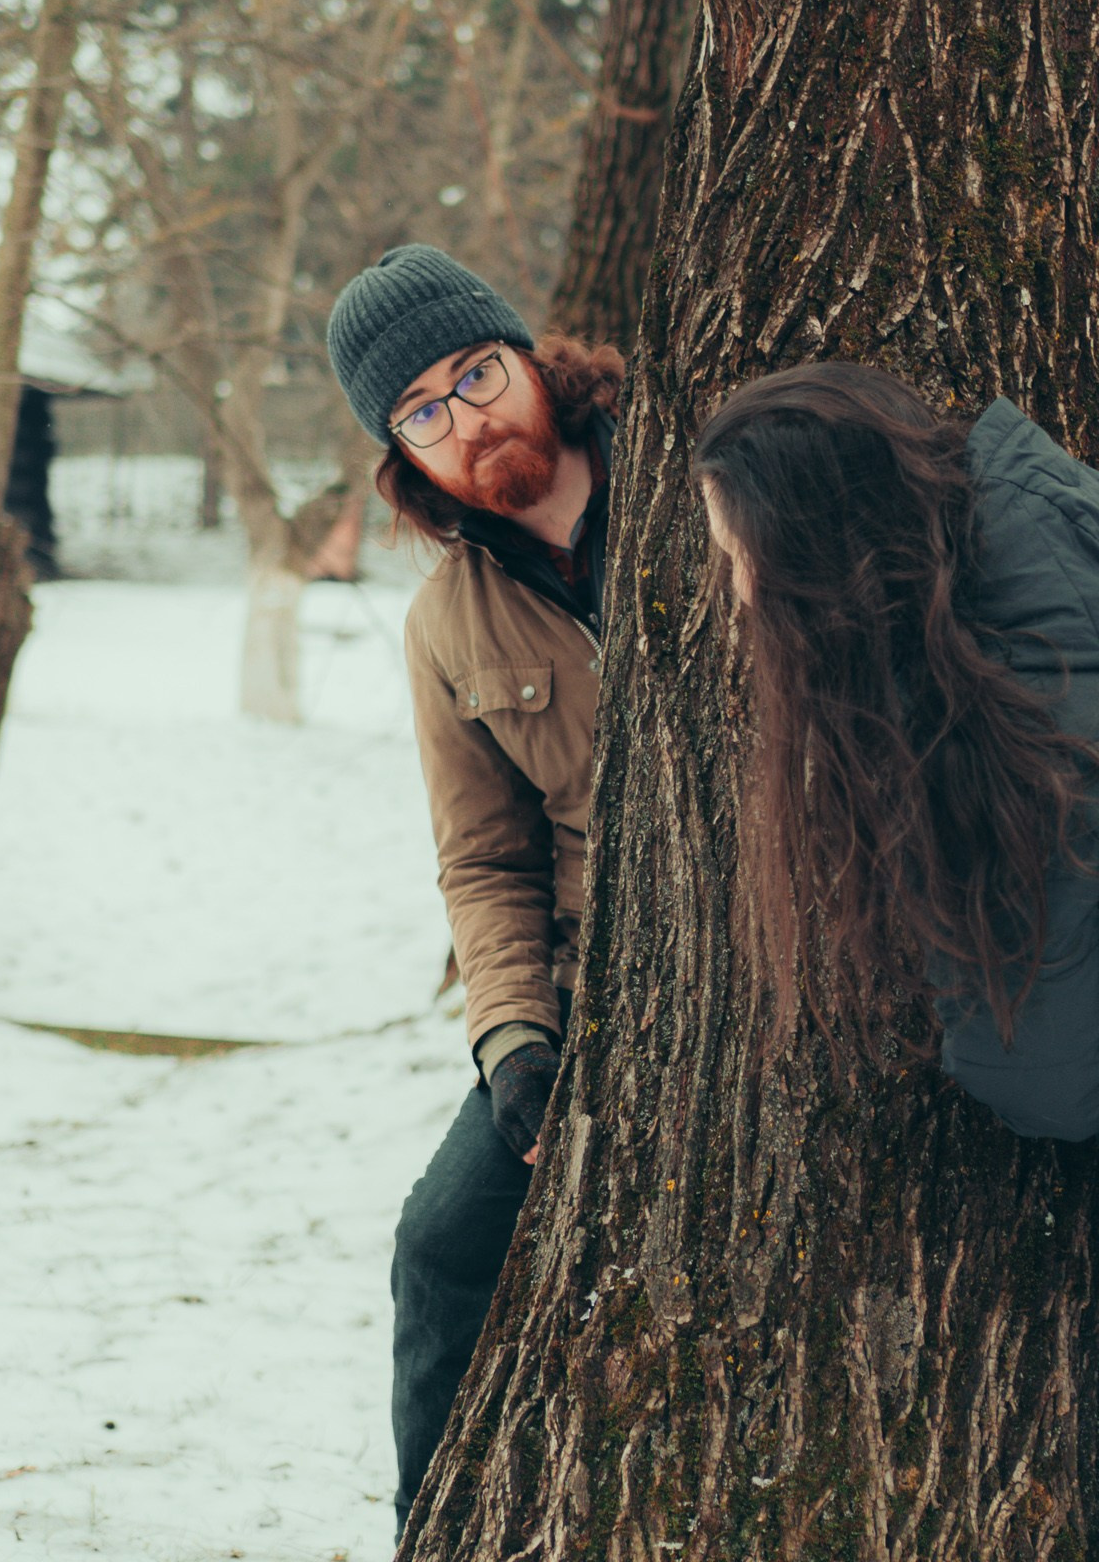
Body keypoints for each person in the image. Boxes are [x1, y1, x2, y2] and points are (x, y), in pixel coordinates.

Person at [694, 362, 1099, 1562]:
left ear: (819, 559)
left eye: (738, 554)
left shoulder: (982, 733)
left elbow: (1050, 1080)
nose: (734, 589)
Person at [326, 245, 621, 1542]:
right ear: (405, 457)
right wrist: (514, 1041)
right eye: (424, 413)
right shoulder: (447, 623)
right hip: (590, 976)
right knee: (442, 1244)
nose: (468, 419)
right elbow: (484, 861)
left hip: (792, 937)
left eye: (478, 374)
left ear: (534, 361)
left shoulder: (688, 485)